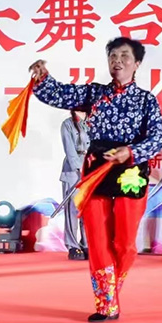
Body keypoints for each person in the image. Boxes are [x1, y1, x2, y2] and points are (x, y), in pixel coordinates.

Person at [29, 37, 162, 322]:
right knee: (97, 238)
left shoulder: (146, 101)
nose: (117, 61)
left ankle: (111, 291)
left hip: (130, 171)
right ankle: (106, 304)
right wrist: (42, 78)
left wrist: (131, 152)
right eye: (113, 56)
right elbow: (61, 95)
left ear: (137, 64)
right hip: (96, 171)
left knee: (125, 243)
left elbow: (158, 137)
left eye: (124, 56)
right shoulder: (95, 93)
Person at [60, 109, 90, 261]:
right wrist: (79, 168)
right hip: (74, 171)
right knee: (73, 209)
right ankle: (72, 245)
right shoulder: (67, 124)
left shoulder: (93, 122)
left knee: (88, 209)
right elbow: (70, 150)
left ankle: (87, 243)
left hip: (91, 168)